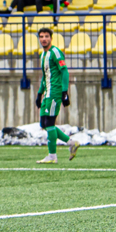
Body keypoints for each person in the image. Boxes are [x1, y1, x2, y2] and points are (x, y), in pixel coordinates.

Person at [35, 28, 79, 164]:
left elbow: (64, 71)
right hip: (47, 93)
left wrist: (64, 92)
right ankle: (71, 142)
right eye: (41, 36)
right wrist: (39, 93)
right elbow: (45, 76)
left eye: (46, 36)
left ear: (51, 38)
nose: (44, 39)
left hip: (54, 92)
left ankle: (52, 155)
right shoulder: (43, 55)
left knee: (49, 122)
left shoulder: (55, 52)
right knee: (44, 123)